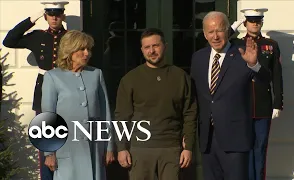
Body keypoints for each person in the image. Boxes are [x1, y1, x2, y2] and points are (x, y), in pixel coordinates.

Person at [190, 11, 271, 180]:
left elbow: (265, 81)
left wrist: (254, 65)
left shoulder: (243, 55)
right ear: (205, 34)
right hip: (208, 139)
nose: (216, 36)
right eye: (210, 32)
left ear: (228, 30)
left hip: (235, 140)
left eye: (219, 30)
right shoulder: (198, 58)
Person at [115, 28, 197, 180]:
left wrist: (188, 147)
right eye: (147, 47)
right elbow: (122, 116)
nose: (151, 51)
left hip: (172, 150)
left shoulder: (180, 77)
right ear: (142, 50)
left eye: (156, 46)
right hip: (140, 150)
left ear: (164, 46)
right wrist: (121, 148)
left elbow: (189, 114)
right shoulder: (130, 79)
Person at [2, 1, 69, 179]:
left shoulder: (71, 37)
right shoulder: (37, 36)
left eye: (58, 13)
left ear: (63, 15)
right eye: (50, 13)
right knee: (46, 137)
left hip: (66, 89)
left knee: (68, 138)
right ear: (46, 15)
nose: (54, 17)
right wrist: (33, 18)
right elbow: (9, 41)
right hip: (43, 88)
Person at [41, 30, 115, 180]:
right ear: (70, 50)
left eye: (88, 49)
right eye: (82, 49)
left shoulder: (96, 74)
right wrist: (49, 153)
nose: (87, 53)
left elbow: (105, 113)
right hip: (66, 148)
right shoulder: (53, 77)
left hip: (94, 147)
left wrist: (109, 147)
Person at [231, 8, 284, 180]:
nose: (255, 24)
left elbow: (276, 75)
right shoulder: (236, 44)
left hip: (262, 104)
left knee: (260, 148)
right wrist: (230, 31)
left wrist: (278, 103)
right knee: (244, 147)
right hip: (242, 105)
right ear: (245, 23)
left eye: (258, 21)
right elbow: (212, 46)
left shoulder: (271, 45)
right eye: (251, 21)